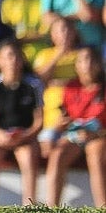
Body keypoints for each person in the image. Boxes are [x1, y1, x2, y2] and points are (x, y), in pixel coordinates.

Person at [0, 37, 42, 207]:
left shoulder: (33, 85)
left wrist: (24, 136)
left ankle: (29, 205)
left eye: (16, 56)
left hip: (25, 137)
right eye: (8, 56)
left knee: (28, 157)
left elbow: (38, 121)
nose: (12, 61)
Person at [43, 44, 106, 207]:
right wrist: (55, 130)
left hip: (100, 137)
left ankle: (101, 206)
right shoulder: (71, 87)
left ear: (100, 63)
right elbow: (66, 117)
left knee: (96, 153)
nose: (88, 64)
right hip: (75, 135)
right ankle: (52, 207)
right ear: (76, 66)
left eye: (92, 60)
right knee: (57, 154)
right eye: (83, 60)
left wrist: (98, 134)